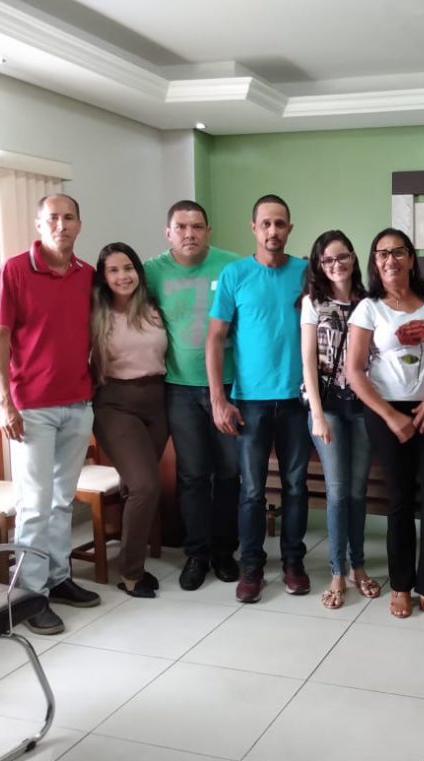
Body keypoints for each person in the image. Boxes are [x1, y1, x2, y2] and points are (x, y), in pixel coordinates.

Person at [0, 193, 100, 635]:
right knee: (34, 506)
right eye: (52, 218)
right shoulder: (15, 270)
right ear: (39, 224)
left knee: (60, 502)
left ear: (79, 224)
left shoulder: (87, 274)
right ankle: (29, 596)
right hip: (31, 408)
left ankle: (57, 578)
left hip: (77, 403)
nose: (61, 225)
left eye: (69, 217)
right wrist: (5, 402)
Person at [346, 228, 424, 626]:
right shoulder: (368, 309)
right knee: (398, 499)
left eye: (398, 252)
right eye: (381, 254)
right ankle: (400, 585)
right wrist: (391, 416)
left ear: (411, 259)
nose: (390, 260)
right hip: (387, 413)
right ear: (374, 263)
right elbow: (354, 371)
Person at [206, 194, 311, 604]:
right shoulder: (235, 274)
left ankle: (293, 563)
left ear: (289, 228)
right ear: (254, 228)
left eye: (280, 223)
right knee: (251, 489)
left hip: (298, 400)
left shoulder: (305, 273)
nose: (273, 230)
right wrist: (219, 399)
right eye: (266, 223)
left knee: (296, 485)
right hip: (249, 401)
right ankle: (251, 567)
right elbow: (215, 339)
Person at [145, 200, 241, 591]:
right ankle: (197, 554)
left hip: (230, 386)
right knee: (192, 475)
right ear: (168, 233)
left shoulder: (231, 265)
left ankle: (225, 551)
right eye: (181, 227)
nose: (190, 234)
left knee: (230, 474)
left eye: (197, 226)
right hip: (180, 388)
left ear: (208, 231)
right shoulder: (151, 271)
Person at [299, 229, 380, 609]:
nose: (336, 265)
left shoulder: (370, 301)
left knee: (358, 491)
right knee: (337, 491)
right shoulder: (313, 303)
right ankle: (337, 571)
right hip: (327, 408)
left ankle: (357, 567)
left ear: (353, 257)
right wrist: (317, 414)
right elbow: (308, 362)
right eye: (328, 260)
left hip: (363, 407)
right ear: (319, 265)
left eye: (342, 256)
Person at [90, 242, 168, 598]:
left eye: (128, 268)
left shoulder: (153, 308)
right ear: (103, 278)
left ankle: (128, 557)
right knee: (145, 486)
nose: (123, 276)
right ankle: (131, 573)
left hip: (158, 403)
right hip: (115, 405)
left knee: (133, 486)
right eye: (113, 270)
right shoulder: (96, 313)